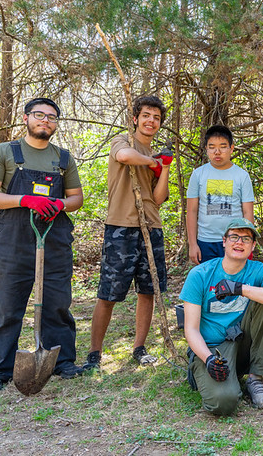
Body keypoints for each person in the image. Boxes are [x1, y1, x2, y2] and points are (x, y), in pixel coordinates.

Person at [0, 97, 85, 392]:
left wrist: (59, 205)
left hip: (54, 238)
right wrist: (25, 200)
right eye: (39, 115)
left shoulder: (63, 159)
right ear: (26, 118)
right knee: (6, 304)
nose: (45, 120)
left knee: (57, 302)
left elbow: (77, 198)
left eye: (51, 117)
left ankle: (62, 362)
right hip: (12, 241)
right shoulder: (6, 153)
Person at [83, 96, 173, 371]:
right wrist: (152, 162)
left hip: (151, 226)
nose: (151, 121)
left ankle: (139, 347)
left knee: (149, 291)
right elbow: (124, 157)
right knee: (109, 293)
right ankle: (94, 354)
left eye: (156, 118)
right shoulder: (122, 142)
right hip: (121, 227)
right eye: (146, 115)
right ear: (135, 118)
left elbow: (160, 198)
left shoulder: (157, 157)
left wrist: (164, 167)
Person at [181, 218, 263, 414]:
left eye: (246, 239)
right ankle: (203, 371)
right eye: (234, 237)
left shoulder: (258, 271)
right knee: (223, 402)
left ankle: (255, 378)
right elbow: (190, 328)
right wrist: (208, 359)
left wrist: (241, 289)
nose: (239, 242)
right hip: (212, 349)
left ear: (252, 246)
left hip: (242, 343)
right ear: (224, 241)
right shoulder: (200, 274)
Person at [186, 125, 255, 264]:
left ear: (231, 148)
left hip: (235, 240)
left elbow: (248, 212)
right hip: (206, 241)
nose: (217, 152)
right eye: (212, 147)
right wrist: (193, 244)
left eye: (223, 146)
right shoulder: (198, 174)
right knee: (209, 283)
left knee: (233, 283)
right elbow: (192, 211)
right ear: (206, 149)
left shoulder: (242, 176)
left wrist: (247, 242)